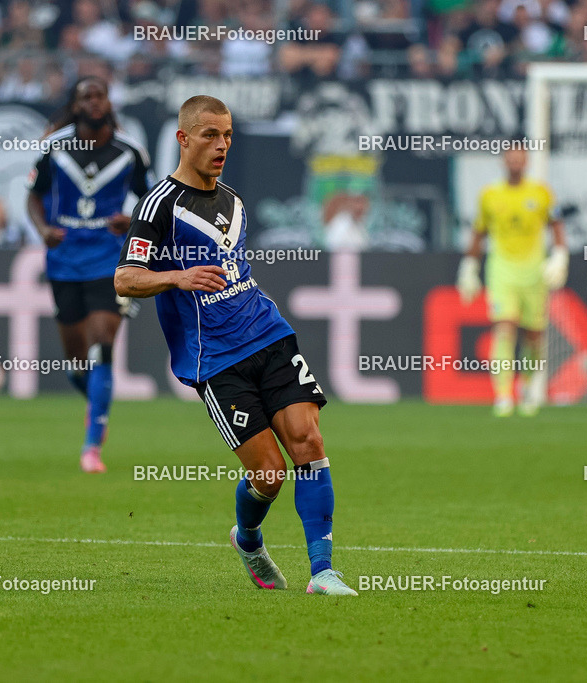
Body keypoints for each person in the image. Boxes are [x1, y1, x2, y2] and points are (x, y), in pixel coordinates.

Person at [114, 95, 356, 597]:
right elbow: (124, 278)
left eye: (227, 135)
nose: (221, 144)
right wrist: (178, 277)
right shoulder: (160, 206)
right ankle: (248, 539)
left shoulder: (234, 200)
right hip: (216, 360)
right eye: (209, 135)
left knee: (309, 442)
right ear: (183, 139)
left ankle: (323, 571)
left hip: (267, 332)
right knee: (270, 475)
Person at [26, 76, 153, 473]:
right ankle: (96, 403)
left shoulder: (131, 150)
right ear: (76, 105)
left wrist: (130, 220)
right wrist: (43, 230)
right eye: (86, 97)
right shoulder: (54, 146)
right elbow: (32, 195)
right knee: (77, 363)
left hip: (108, 261)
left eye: (100, 96)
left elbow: (151, 202)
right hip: (64, 260)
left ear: (109, 102)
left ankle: (92, 446)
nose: (94, 103)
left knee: (102, 346)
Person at [457, 146, 568, 417]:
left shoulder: (540, 193)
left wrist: (560, 256)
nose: (515, 162)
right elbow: (479, 233)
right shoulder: (490, 195)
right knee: (504, 328)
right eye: (511, 157)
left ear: (526, 161)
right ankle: (503, 394)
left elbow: (555, 226)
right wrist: (469, 267)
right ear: (504, 161)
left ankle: (528, 386)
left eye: (520, 157)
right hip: (502, 269)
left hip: (533, 271)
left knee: (533, 335)